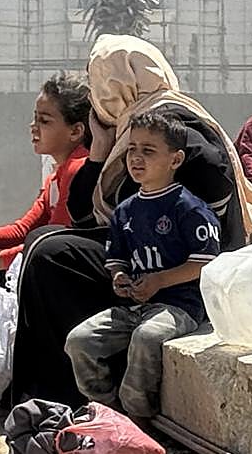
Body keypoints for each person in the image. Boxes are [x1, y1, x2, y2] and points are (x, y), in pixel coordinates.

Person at [10, 35, 252, 407]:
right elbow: (83, 210)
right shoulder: (128, 128)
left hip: (176, 274)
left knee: (53, 255)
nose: (97, 98)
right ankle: (52, 391)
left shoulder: (174, 130)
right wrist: (100, 152)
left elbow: (198, 225)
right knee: (45, 241)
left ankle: (70, 394)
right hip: (139, 258)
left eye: (101, 84)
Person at [65, 112, 221, 418]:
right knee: (79, 341)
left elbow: (204, 262)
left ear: (175, 160)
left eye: (148, 151)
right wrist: (120, 277)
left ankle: (139, 416)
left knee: (147, 338)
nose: (136, 158)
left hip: (180, 307)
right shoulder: (125, 211)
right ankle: (107, 409)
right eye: (131, 149)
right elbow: (117, 259)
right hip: (135, 307)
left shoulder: (188, 208)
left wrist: (159, 281)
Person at [0, 72, 91, 286]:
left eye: (44, 120)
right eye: (35, 118)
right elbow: (24, 230)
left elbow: (50, 243)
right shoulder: (55, 175)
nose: (33, 127)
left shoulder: (78, 168)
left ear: (76, 131)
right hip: (47, 255)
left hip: (72, 273)